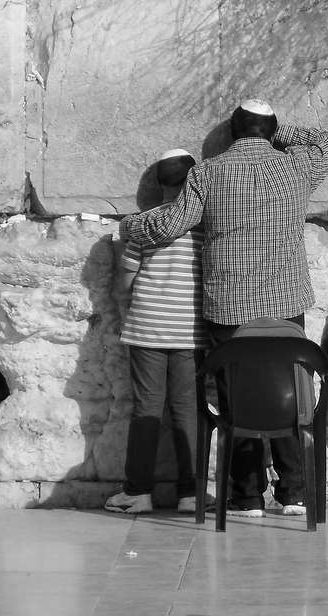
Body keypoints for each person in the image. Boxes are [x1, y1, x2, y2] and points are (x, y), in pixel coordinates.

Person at [122, 99, 328, 518]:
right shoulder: (295, 168)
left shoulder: (207, 172)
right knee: (290, 392)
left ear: (232, 131)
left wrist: (130, 226)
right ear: (270, 129)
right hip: (284, 302)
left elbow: (171, 225)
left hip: (230, 306)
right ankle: (293, 491)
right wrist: (283, 133)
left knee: (236, 399)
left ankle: (246, 496)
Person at [106, 149, 211, 514]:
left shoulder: (144, 225)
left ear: (159, 185)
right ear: (194, 181)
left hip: (148, 326)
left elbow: (127, 280)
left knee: (146, 408)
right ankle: (191, 493)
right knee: (188, 410)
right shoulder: (204, 226)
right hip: (190, 331)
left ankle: (138, 492)